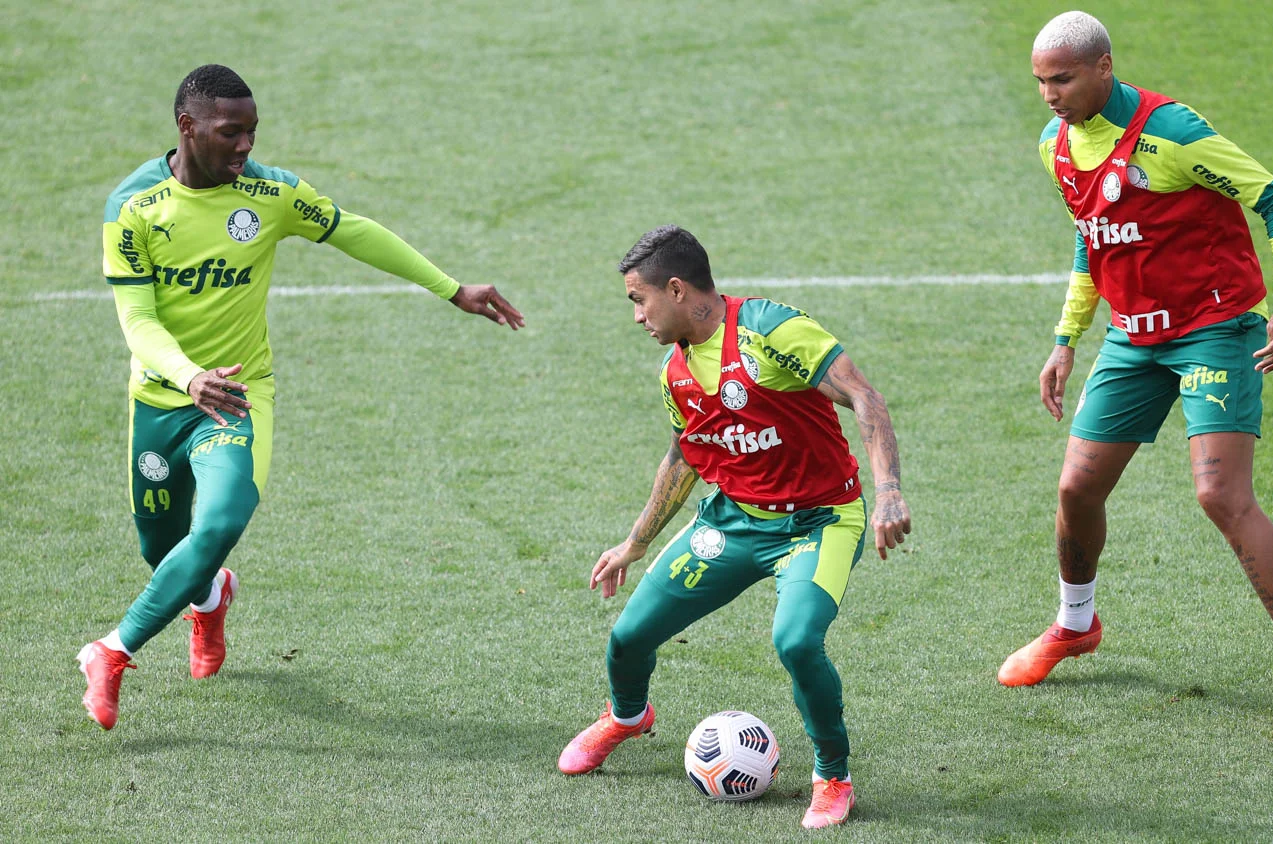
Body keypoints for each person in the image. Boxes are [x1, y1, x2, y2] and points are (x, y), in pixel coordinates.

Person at [80, 64, 526, 730]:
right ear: (187, 127)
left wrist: (451, 287)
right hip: (162, 399)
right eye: (230, 133)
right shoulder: (134, 206)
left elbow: (352, 229)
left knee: (221, 523)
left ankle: (111, 652)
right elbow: (137, 320)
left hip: (237, 395)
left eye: (252, 133)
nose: (244, 147)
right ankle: (208, 600)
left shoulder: (269, 193)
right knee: (164, 553)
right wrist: (187, 375)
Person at [997, 12, 1273, 739]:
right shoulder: (1054, 145)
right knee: (1075, 487)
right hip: (1133, 339)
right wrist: (1066, 340)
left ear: (1103, 67)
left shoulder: (1173, 133)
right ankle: (1075, 624)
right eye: (1040, 81)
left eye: (1062, 78)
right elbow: (1091, 238)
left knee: (1220, 493)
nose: (1049, 94)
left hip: (1214, 331)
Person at [556, 225, 911, 829]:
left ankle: (832, 774)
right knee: (628, 638)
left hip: (819, 522)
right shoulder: (675, 372)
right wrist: (635, 543)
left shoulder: (770, 331)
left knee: (797, 641)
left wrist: (889, 494)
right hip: (734, 522)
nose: (637, 316)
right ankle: (627, 716)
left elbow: (864, 397)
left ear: (675, 289)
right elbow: (685, 456)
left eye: (638, 300)